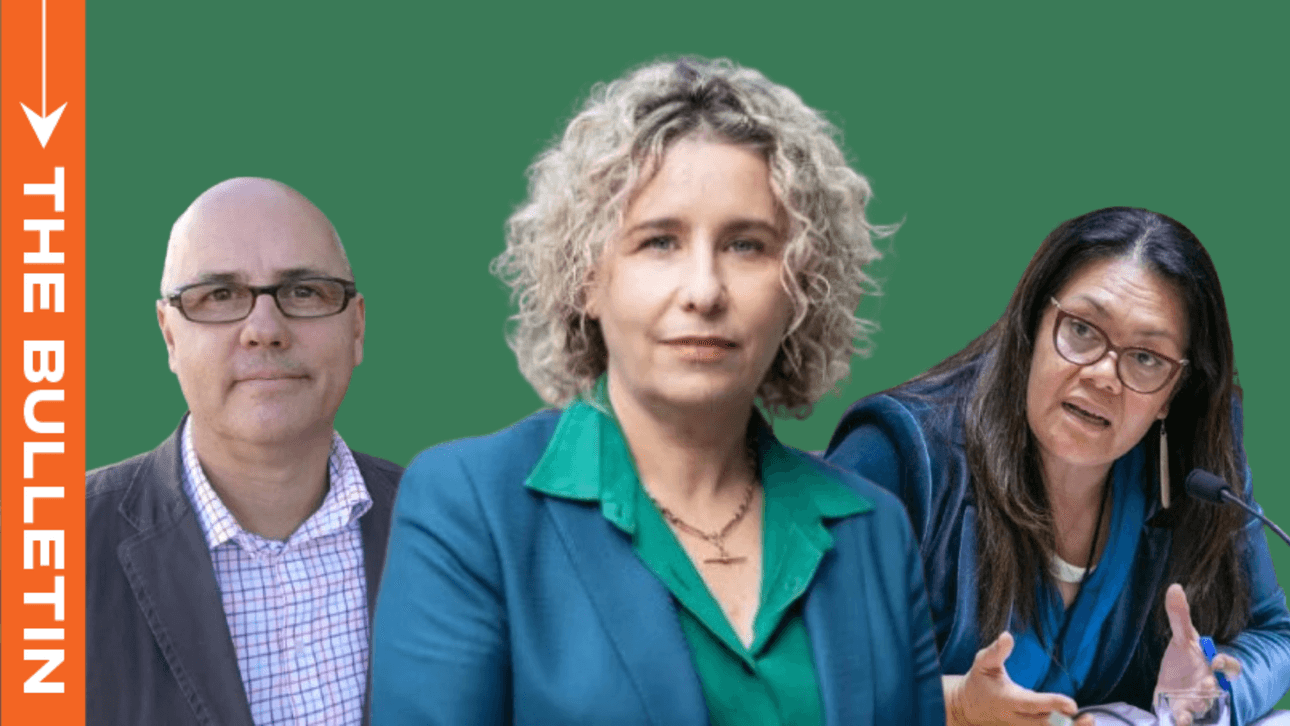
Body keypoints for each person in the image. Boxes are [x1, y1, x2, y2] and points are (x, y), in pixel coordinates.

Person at [371, 57, 943, 725]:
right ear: (588, 276)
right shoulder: (468, 504)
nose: (703, 290)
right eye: (660, 241)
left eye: (746, 245)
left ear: (800, 288)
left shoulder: (873, 528)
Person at [826, 207, 1290, 724]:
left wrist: (1207, 699)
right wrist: (954, 705)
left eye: (1146, 358)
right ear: (1032, 325)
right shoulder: (897, 455)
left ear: (1172, 394)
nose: (1104, 376)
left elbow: (1274, 633)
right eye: (1083, 330)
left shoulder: (1197, 468)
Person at [86, 178, 403, 726]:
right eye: (219, 295)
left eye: (304, 291)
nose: (264, 329)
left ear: (357, 327)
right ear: (168, 335)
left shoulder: (456, 528)